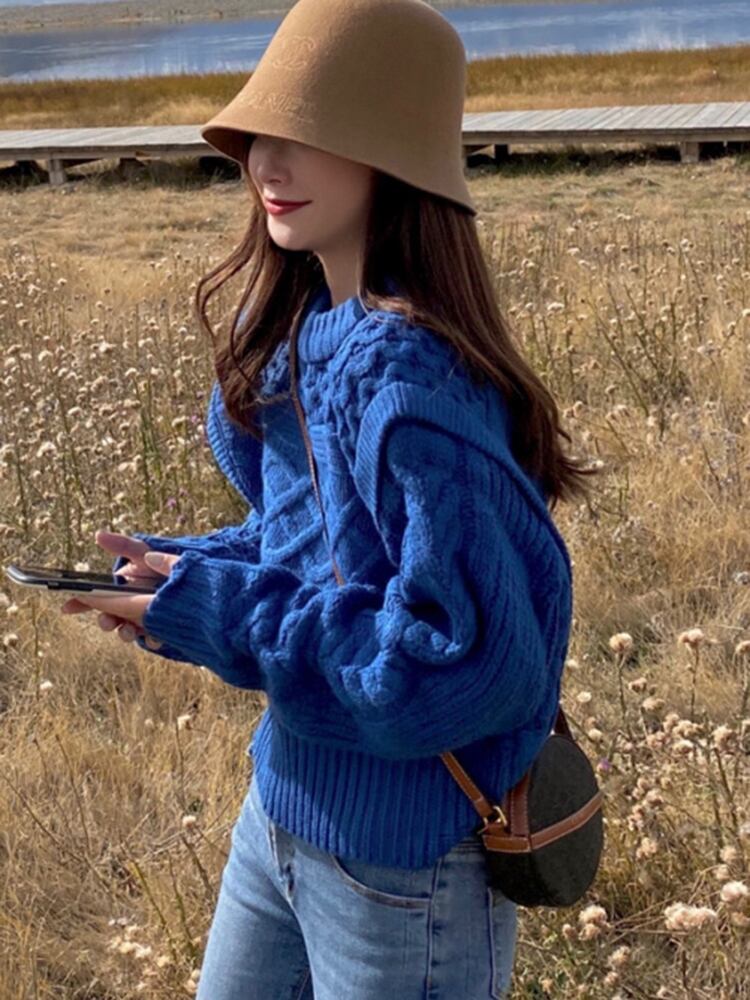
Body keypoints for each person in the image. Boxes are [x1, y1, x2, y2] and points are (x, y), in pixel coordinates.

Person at [60, 0, 597, 995]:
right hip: (281, 812)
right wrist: (185, 576)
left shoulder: (411, 380)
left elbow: (463, 665)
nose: (267, 161)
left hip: (403, 870)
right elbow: (319, 556)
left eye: (308, 131)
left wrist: (224, 612)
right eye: (259, 132)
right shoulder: (307, 329)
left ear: (395, 154)